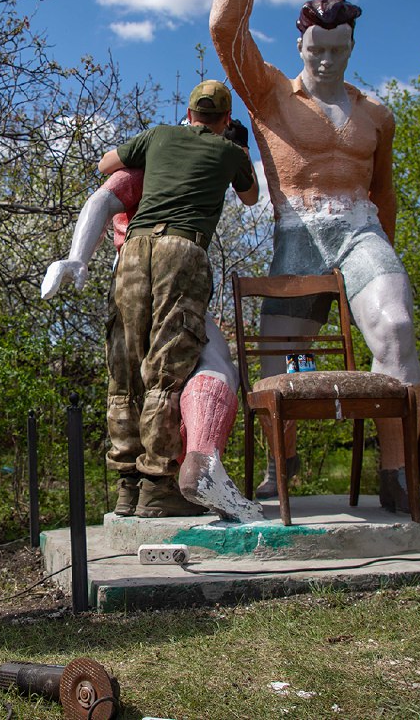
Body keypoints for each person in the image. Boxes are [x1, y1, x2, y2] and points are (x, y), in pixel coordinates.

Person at [210, 0, 420, 513]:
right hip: (298, 235)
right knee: (280, 369)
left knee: (396, 328)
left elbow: (383, 192)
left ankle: (403, 475)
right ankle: (276, 476)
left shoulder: (377, 115)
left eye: (339, 51)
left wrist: (387, 254)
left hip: (362, 233)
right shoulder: (272, 96)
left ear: (352, 47)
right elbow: (225, 30)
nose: (328, 62)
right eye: (316, 51)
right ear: (300, 46)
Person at [41, 120, 267, 523]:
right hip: (151, 274)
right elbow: (101, 198)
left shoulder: (176, 158)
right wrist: (78, 257)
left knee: (140, 376)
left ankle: (144, 484)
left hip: (141, 274)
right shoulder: (155, 162)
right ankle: (161, 482)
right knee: (176, 372)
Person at [95, 81, 260, 518]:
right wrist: (236, 149)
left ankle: (126, 488)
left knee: (126, 364)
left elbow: (105, 163)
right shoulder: (230, 152)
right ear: (225, 120)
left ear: (188, 112)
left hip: (133, 249)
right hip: (182, 251)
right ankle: (157, 486)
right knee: (167, 367)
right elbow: (251, 196)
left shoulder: (159, 135)